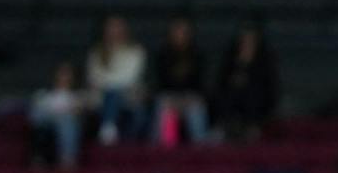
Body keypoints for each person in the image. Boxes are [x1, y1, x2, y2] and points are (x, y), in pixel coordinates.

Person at [151, 15, 212, 145]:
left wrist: (186, 98)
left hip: (191, 98)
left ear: (190, 34)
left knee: (196, 107)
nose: (180, 35)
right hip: (169, 98)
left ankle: (200, 149)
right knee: (164, 106)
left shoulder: (198, 55)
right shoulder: (162, 55)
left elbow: (200, 83)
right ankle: (165, 152)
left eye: (183, 32)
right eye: (176, 31)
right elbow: (160, 83)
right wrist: (175, 100)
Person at [87, 14, 147, 144]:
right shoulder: (96, 52)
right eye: (111, 28)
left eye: (117, 27)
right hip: (100, 97)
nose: (114, 31)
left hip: (129, 96)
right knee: (111, 94)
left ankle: (108, 129)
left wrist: (108, 82)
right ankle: (108, 129)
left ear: (125, 29)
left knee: (115, 94)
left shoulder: (135, 51)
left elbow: (130, 78)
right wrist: (111, 83)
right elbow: (94, 77)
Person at [215, 20, 278, 141]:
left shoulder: (265, 58)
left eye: (251, 39)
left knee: (253, 93)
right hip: (233, 100)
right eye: (245, 39)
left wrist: (249, 80)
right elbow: (221, 81)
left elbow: (270, 85)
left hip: (257, 103)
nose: (247, 42)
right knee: (231, 92)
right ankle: (228, 126)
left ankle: (252, 128)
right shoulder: (231, 57)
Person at [28, 63, 88, 169]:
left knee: (66, 120)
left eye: (67, 74)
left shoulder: (77, 95)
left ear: (73, 77)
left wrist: (65, 113)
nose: (63, 77)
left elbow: (79, 111)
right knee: (39, 114)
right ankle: (39, 159)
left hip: (67, 122)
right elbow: (36, 114)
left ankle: (67, 159)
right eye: (61, 74)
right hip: (46, 122)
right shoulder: (44, 94)